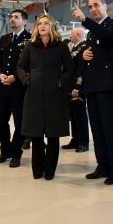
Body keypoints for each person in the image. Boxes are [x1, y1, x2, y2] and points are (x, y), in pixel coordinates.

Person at [72, 0, 113, 184]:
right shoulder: (91, 34)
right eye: (90, 7)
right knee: (97, 129)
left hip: (109, 86)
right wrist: (85, 54)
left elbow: (107, 37)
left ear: (105, 6)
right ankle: (102, 165)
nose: (93, 9)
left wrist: (84, 20)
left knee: (111, 130)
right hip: (93, 86)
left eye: (96, 5)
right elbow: (95, 48)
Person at [17, 14, 75, 180]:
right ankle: (37, 169)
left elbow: (69, 69)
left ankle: (49, 171)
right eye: (40, 24)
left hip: (55, 95)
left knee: (53, 135)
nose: (42, 26)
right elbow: (20, 67)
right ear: (36, 27)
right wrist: (27, 80)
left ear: (52, 26)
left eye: (46, 24)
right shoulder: (30, 46)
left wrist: (60, 83)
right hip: (33, 94)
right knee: (35, 135)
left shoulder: (60, 46)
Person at [0, 9, 30, 168]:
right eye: (11, 17)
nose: (12, 19)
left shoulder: (30, 39)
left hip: (19, 87)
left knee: (20, 123)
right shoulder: (4, 38)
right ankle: (5, 150)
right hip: (3, 87)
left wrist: (15, 76)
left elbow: (30, 64)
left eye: (16, 17)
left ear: (25, 22)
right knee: (0, 121)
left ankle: (16, 153)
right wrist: (0, 74)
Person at [62, 27, 90, 153]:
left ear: (78, 35)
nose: (70, 36)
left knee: (80, 116)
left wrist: (77, 87)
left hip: (78, 87)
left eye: (72, 34)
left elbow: (82, 70)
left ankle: (83, 142)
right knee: (73, 115)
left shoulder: (84, 47)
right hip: (71, 86)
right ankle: (75, 139)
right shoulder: (75, 48)